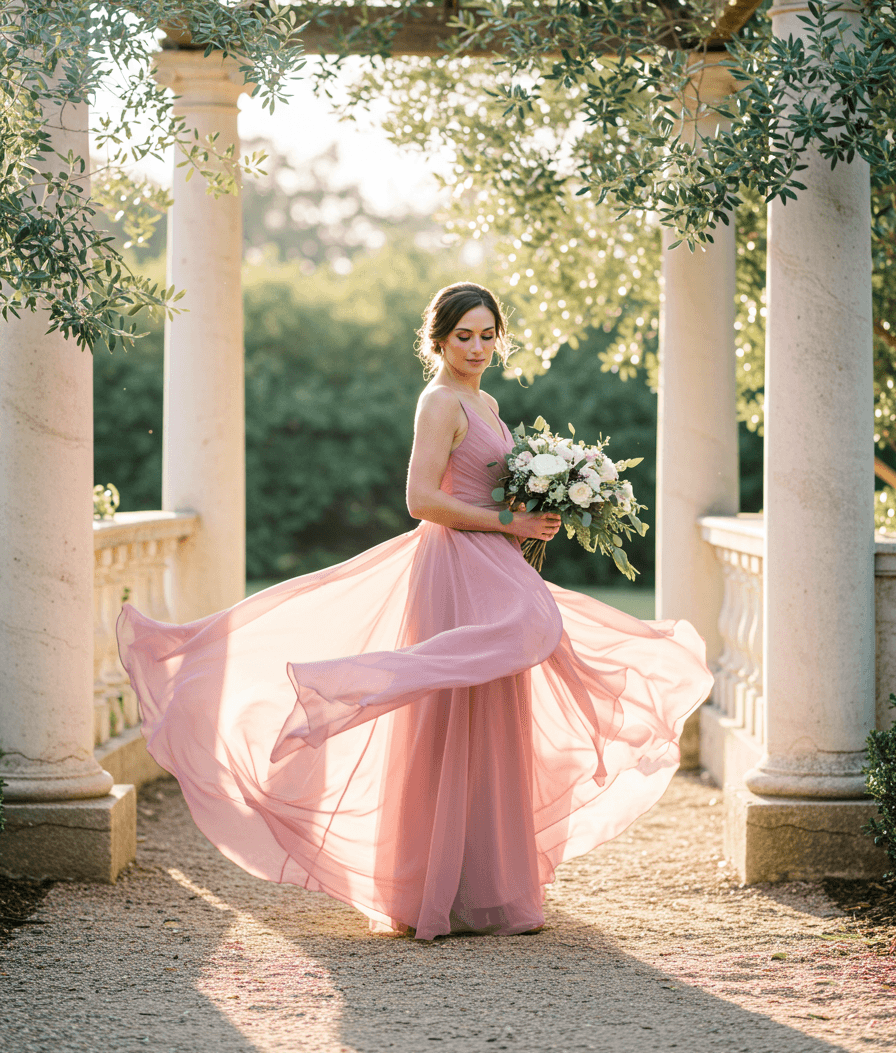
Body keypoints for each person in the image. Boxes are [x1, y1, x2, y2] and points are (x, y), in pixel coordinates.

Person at [118, 281, 712, 941]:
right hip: (451, 564)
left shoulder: (485, 399)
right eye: (465, 336)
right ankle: (356, 687)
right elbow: (420, 498)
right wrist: (507, 516)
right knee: (483, 676)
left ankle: (483, 888)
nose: (479, 346)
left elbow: (485, 484)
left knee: (494, 704)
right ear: (438, 340)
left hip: (490, 559)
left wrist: (534, 516)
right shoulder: (439, 401)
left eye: (489, 334)